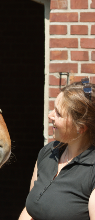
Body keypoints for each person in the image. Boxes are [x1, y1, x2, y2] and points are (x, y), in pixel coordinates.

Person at [19, 79, 95, 220]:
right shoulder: (48, 152)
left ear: (81, 128)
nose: (50, 116)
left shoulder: (92, 171)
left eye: (58, 114)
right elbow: (31, 210)